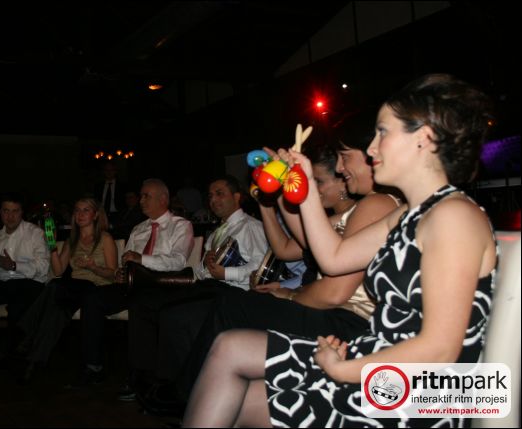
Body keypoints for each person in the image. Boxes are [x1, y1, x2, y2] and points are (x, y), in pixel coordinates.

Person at [183, 74, 497, 428]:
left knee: (235, 367)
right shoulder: (410, 214)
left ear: (422, 139)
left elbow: (441, 349)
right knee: (231, 356)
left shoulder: (454, 216)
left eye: (382, 133)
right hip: (379, 359)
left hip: (421, 390)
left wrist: (343, 369)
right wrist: (300, 182)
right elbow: (332, 257)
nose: (372, 149)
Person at [145, 125, 400, 416]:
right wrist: (278, 191)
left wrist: (290, 295)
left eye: (345, 156)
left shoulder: (377, 203)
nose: (341, 167)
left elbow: (335, 291)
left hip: (347, 323)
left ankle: (184, 394)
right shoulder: (364, 208)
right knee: (230, 308)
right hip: (337, 315)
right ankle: (190, 391)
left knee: (233, 306)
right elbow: (301, 243)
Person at [138, 175, 267, 401]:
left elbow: (260, 269)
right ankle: (155, 379)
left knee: (176, 316)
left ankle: (184, 390)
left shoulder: (251, 227)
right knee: (150, 305)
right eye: (210, 195)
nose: (213, 200)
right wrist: (203, 267)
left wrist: (225, 273)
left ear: (237, 197)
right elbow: (201, 271)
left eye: (220, 194)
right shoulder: (217, 232)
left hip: (233, 293)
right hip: (209, 287)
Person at [16, 196, 118, 386]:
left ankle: (26, 333)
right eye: (77, 210)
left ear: (96, 215)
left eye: (86, 210)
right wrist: (52, 246)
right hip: (73, 290)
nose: (80, 214)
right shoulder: (72, 240)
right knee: (55, 312)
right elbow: (58, 270)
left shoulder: (105, 238)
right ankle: (33, 362)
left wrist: (93, 267)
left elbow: (113, 275)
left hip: (96, 289)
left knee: (55, 286)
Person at [120, 178, 194, 399]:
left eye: (146, 196)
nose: (141, 200)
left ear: (163, 200)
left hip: (165, 284)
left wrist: (141, 259)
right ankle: (95, 366)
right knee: (95, 298)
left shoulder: (180, 225)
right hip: (135, 284)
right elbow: (127, 260)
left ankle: (140, 377)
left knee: (141, 303)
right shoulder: (138, 229)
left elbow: (178, 261)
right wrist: (120, 271)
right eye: (141, 196)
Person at [0, 192, 50, 354]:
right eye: (6, 211)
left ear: (21, 212)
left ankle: (13, 353)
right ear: (0, 213)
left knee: (17, 308)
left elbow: (43, 267)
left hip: (30, 283)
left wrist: (14, 265)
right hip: (4, 284)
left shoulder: (35, 233)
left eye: (15, 211)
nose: (10, 216)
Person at [94, 161, 126, 230]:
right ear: (103, 172)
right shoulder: (98, 186)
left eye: (111, 170)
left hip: (118, 215)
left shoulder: (122, 186)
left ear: (115, 171)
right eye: (106, 170)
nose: (109, 172)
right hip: (102, 214)